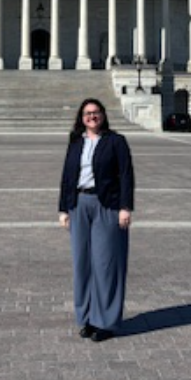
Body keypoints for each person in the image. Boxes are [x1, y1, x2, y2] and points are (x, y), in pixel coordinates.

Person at [58, 98, 134, 342]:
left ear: (103, 115)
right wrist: (63, 209)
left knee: (105, 264)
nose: (92, 116)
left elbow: (126, 175)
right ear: (81, 118)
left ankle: (106, 321)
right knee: (82, 264)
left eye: (96, 112)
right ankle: (87, 317)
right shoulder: (75, 142)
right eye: (87, 113)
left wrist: (125, 207)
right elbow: (67, 177)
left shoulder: (116, 141)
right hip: (79, 204)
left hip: (106, 206)